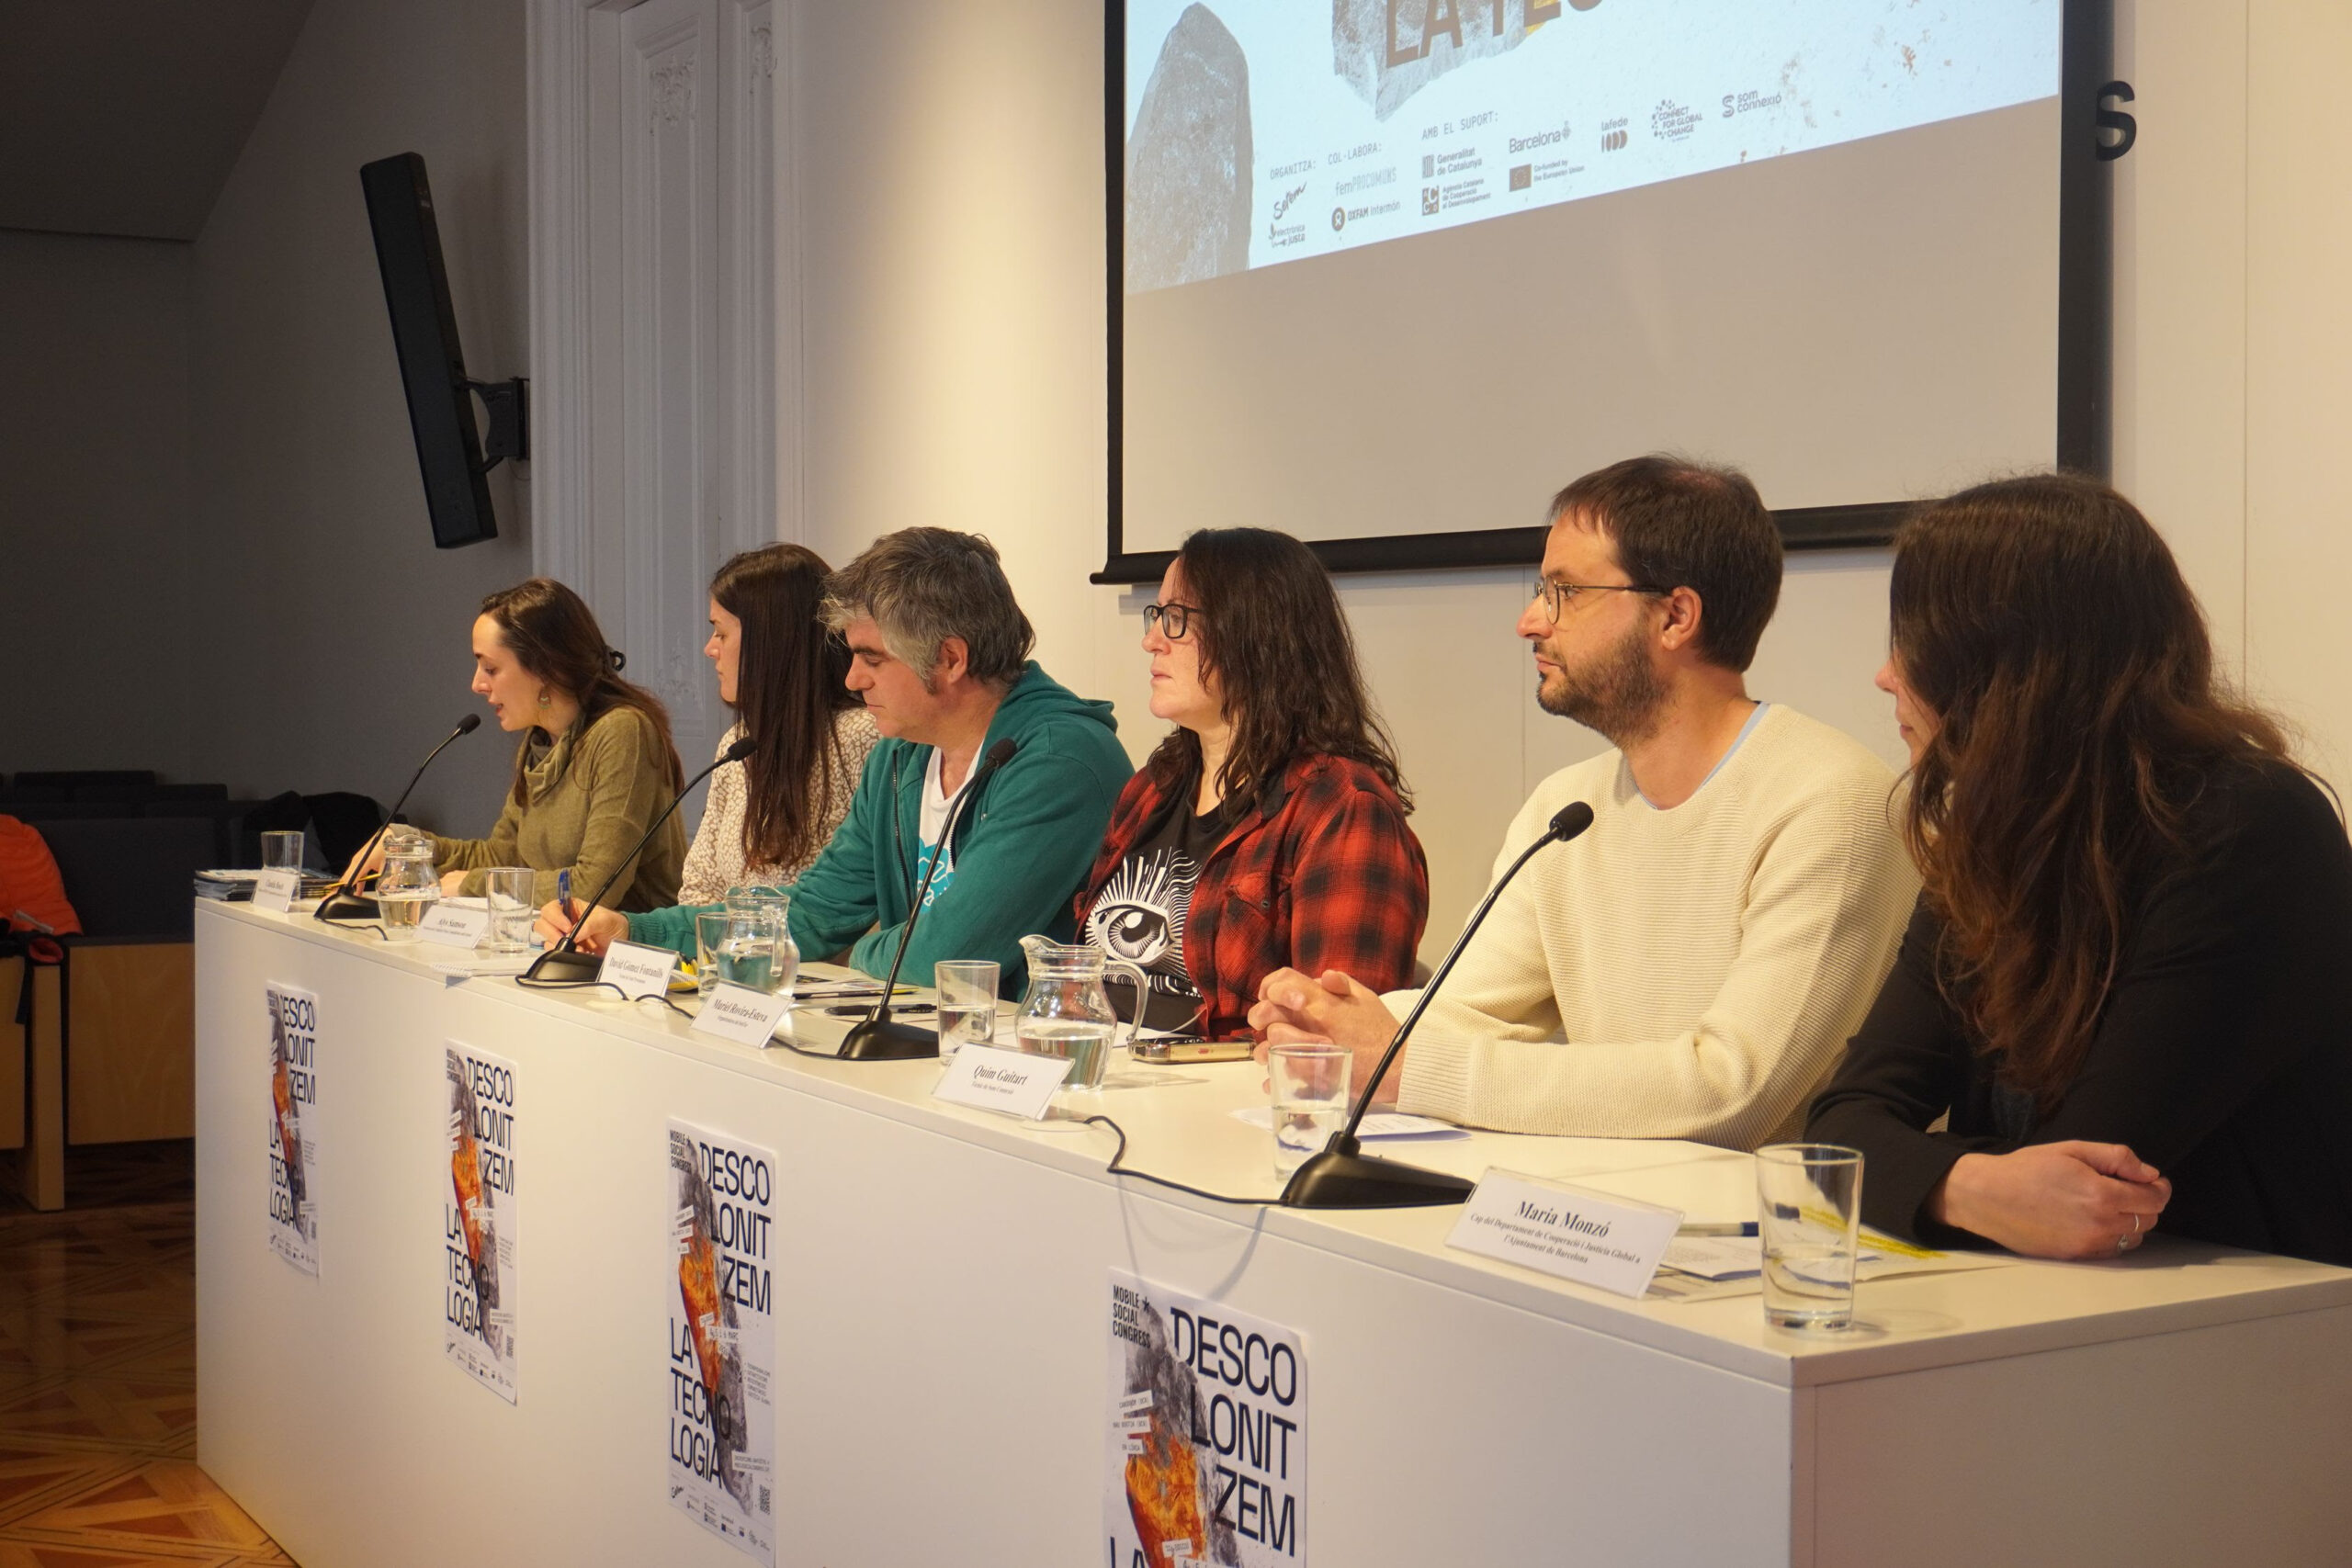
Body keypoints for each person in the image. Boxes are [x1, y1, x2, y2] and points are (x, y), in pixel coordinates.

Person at [1250, 456, 1918, 1150]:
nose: (1529, 621)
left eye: (1565, 592)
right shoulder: (1568, 804)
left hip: (1763, 1215)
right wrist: (1327, 1023)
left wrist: (1404, 1066)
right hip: (1606, 1200)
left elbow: (1732, 1092)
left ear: (1675, 616)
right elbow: (1465, 1011)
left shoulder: (1831, 803)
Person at [1809, 475, 2352, 1265]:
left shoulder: (2248, 827)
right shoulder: (1993, 839)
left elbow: (2092, 1173)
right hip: (2082, 1306)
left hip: (2261, 1316)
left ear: (2009, 663)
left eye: (1914, 640)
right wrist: (1965, 1186)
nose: (1887, 675)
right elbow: (1841, 1124)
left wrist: (1931, 1171)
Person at [562, 528, 1131, 985]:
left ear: (950, 659)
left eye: (872, 659)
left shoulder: (1060, 761)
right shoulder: (901, 758)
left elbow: (947, 958)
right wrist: (635, 932)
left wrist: (857, 952)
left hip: (1032, 1064)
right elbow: (815, 914)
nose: (853, 679)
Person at [1074, 527, 1428, 1038]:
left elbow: (1331, 1046)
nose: (1151, 640)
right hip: (1103, 1068)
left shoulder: (1344, 809)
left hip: (1218, 1084)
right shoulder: (1154, 785)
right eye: (1157, 616)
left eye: (1176, 619)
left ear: (1254, 636)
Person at [537, 545, 879, 956]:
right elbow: (699, 888)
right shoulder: (740, 744)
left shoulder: (863, 738)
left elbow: (838, 913)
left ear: (770, 641)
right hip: (728, 973)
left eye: (721, 632)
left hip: (820, 984)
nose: (708, 648)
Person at [350, 578, 687, 911]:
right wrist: (408, 845)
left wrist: (475, 885)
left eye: (490, 668)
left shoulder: (623, 731)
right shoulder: (540, 742)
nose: (476, 684)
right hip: (556, 938)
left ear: (543, 667)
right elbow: (502, 857)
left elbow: (593, 888)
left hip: (630, 943)